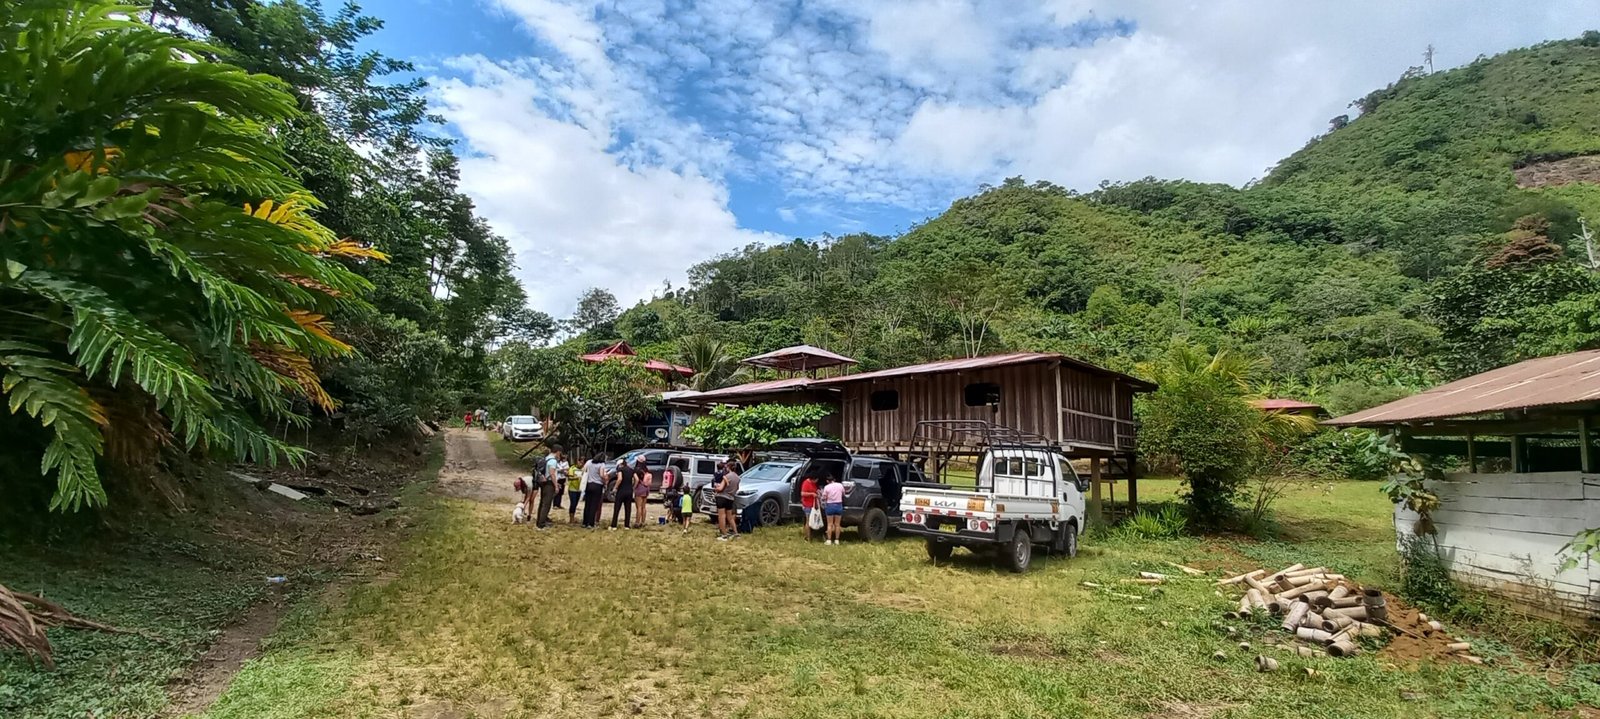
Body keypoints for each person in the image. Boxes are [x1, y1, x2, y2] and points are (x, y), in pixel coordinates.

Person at [713, 459, 742, 541]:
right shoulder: (737, 478)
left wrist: (716, 488)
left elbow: (721, 488)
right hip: (731, 498)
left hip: (722, 497)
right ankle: (736, 533)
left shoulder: (727, 476)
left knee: (722, 516)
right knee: (730, 517)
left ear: (728, 467)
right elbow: (737, 488)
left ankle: (724, 535)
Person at [535, 447, 562, 529]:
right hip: (549, 483)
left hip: (543, 482)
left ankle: (539, 520)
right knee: (546, 504)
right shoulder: (553, 461)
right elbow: (552, 474)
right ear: (558, 452)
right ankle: (542, 524)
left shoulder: (546, 458)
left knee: (542, 502)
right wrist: (556, 485)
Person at [581, 452, 608, 528]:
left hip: (589, 484)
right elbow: (601, 474)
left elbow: (583, 470)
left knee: (587, 504)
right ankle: (591, 523)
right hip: (597, 485)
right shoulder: (602, 464)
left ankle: (585, 522)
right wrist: (605, 480)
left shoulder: (589, 462)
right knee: (594, 505)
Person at [819, 473, 845, 545]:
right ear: (834, 479)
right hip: (839, 505)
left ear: (827, 481)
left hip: (830, 505)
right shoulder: (840, 485)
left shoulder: (827, 487)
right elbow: (843, 494)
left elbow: (824, 497)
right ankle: (837, 540)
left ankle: (829, 540)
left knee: (830, 524)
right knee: (837, 524)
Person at [609, 457, 635, 530]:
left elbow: (620, 479)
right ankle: (627, 525)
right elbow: (636, 479)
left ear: (620, 464)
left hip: (621, 491)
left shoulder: (620, 469)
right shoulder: (631, 470)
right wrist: (633, 487)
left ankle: (614, 525)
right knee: (628, 508)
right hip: (629, 491)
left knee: (617, 508)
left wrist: (615, 488)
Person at [799, 471, 819, 542]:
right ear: (813, 479)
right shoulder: (806, 483)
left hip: (812, 504)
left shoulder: (813, 484)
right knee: (808, 521)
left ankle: (810, 535)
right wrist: (812, 494)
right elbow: (802, 493)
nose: (817, 481)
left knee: (811, 521)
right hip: (807, 504)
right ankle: (807, 537)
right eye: (816, 480)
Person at [632, 456, 652, 528]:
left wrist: (634, 487)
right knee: (644, 507)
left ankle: (637, 522)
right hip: (646, 488)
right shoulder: (646, 469)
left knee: (639, 507)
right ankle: (643, 522)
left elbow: (637, 480)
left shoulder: (636, 470)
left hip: (639, 488)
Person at [565, 460, 583, 524]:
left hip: (579, 489)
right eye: (580, 462)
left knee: (576, 504)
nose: (581, 464)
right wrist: (576, 477)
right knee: (573, 503)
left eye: (582, 463)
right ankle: (571, 518)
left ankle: (573, 516)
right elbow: (569, 477)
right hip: (572, 489)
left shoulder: (583, 469)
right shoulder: (572, 468)